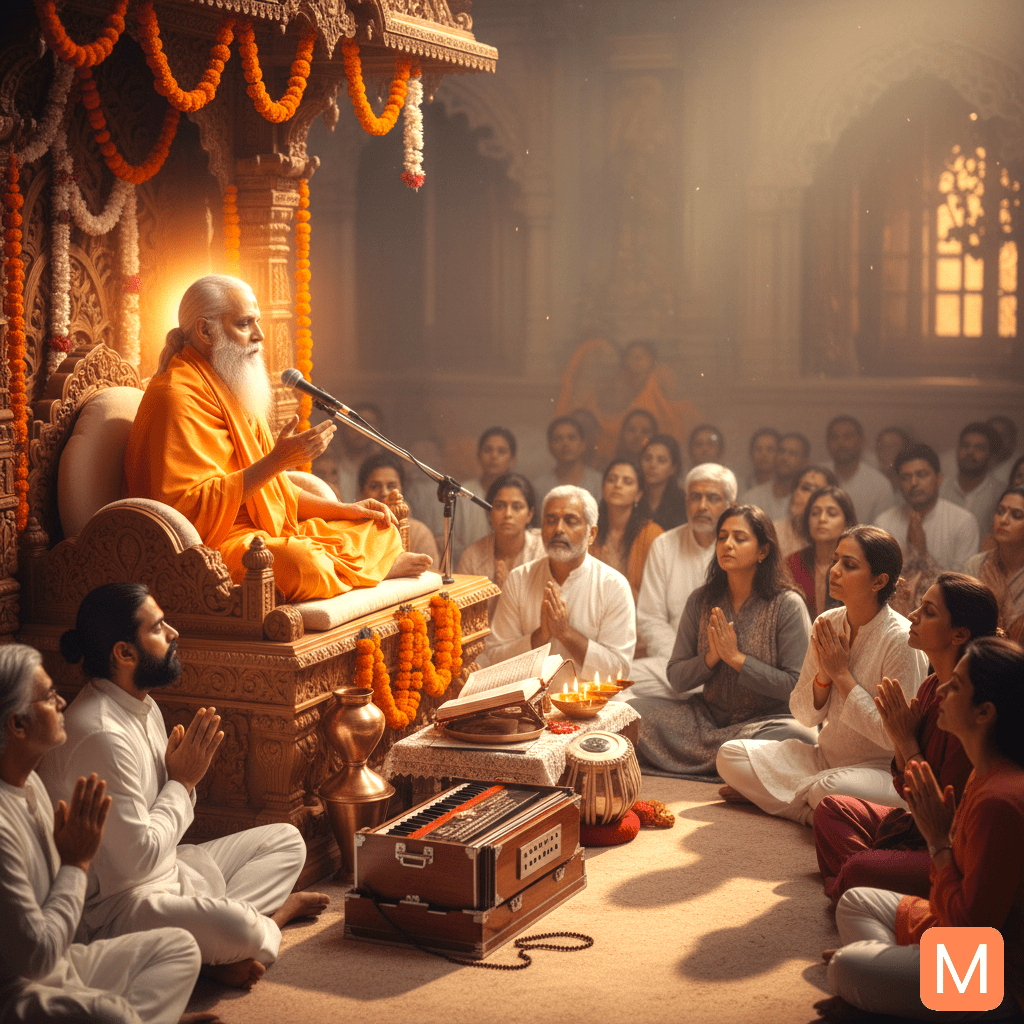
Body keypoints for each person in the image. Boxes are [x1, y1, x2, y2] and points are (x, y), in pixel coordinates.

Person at [38, 584, 330, 991]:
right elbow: (136, 862)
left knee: (286, 841)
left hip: (168, 869)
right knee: (239, 927)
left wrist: (179, 781)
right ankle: (268, 923)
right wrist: (183, 781)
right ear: (124, 653)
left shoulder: (141, 704)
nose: (173, 633)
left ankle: (206, 952)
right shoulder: (100, 732)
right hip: (117, 909)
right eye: (158, 628)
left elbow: (160, 832)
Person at [124, 275, 429, 602]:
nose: (260, 335)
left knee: (378, 527)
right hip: (214, 548)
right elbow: (187, 514)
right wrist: (276, 461)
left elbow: (274, 495)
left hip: (266, 533)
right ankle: (375, 568)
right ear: (205, 331)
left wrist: (345, 509)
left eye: (257, 322)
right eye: (245, 324)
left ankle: (368, 565)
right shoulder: (176, 398)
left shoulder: (229, 388)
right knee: (301, 565)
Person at [0, 644, 208, 1024]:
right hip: (14, 990)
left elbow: (62, 935)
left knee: (180, 948)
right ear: (17, 724)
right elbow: (37, 957)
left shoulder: (28, 784)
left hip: (64, 962)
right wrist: (76, 864)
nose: (62, 702)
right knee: (109, 1014)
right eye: (48, 697)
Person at [823, 636, 1024, 1021]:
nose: (942, 687)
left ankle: (905, 997)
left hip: (1002, 979)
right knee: (856, 901)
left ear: (984, 713)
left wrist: (936, 840)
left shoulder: (1001, 797)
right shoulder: (986, 772)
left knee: (845, 968)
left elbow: (970, 931)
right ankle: (896, 995)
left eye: (957, 685)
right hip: (963, 939)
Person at [716, 526, 929, 824]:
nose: (834, 571)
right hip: (822, 760)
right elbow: (803, 716)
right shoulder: (826, 623)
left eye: (849, 565)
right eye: (836, 560)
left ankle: (801, 804)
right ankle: (814, 813)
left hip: (880, 773)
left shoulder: (901, 640)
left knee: (827, 789)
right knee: (729, 755)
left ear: (878, 581)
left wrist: (841, 674)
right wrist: (824, 677)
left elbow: (891, 738)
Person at [813, 573, 998, 902]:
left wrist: (907, 742)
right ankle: (869, 885)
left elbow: (939, 808)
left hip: (951, 844)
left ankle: (862, 885)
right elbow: (904, 789)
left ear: (959, 634)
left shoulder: (970, 707)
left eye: (928, 612)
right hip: (916, 825)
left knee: (858, 870)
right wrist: (901, 740)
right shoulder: (929, 688)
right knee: (831, 810)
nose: (912, 616)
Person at [629, 505, 817, 779]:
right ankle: (733, 765)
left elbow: (797, 686)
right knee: (631, 713)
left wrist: (737, 660)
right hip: (706, 720)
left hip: (764, 723)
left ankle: (724, 760)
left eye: (739, 538)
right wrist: (710, 658)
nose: (727, 544)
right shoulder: (701, 600)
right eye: (722, 537)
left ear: (763, 551)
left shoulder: (787, 604)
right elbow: (678, 678)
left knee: (799, 736)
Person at [485, 486, 636, 681]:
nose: (558, 529)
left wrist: (567, 634)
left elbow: (619, 671)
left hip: (592, 706)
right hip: (529, 704)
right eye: (551, 520)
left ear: (591, 534)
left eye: (570, 521)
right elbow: (495, 657)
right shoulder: (520, 579)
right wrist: (539, 637)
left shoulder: (613, 586)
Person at [631, 464, 737, 698]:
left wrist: (710, 663)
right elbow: (650, 618)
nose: (702, 506)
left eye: (712, 498)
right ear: (686, 501)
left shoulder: (741, 549)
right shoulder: (664, 545)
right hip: (673, 661)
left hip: (728, 664)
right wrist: (686, 665)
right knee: (621, 683)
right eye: (695, 497)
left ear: (731, 506)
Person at [875, 445, 979, 611]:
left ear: (939, 478)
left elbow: (964, 588)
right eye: (906, 477)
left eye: (921, 475)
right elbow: (879, 583)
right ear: (899, 483)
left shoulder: (963, 521)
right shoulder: (884, 522)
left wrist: (922, 553)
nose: (914, 483)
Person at [456, 473, 545, 621]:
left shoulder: (542, 550)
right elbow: (465, 618)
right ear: (489, 513)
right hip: (485, 641)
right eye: (499, 506)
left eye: (517, 507)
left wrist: (508, 593)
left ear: (530, 514)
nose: (508, 514)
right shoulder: (472, 557)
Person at [589, 459, 664, 600]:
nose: (617, 485)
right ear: (603, 488)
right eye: (611, 480)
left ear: (638, 495)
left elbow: (658, 593)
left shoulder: (652, 534)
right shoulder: (589, 530)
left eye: (627, 482)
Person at [357, 454, 439, 569]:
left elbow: (432, 579)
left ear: (402, 490)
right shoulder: (354, 532)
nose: (384, 492)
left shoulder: (419, 534)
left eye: (391, 486)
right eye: (375, 486)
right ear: (361, 492)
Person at [450, 427, 518, 563]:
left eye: (501, 451)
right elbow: (453, 540)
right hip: (470, 566)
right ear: (479, 456)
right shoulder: (462, 492)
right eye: (488, 450)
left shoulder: (519, 493)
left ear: (512, 459)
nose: (494, 456)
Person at [787, 486, 857, 619]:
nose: (822, 519)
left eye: (831, 513)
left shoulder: (856, 565)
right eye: (815, 513)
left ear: (847, 523)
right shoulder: (793, 563)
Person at [965, 486, 1024, 642]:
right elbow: (962, 622)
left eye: (1016, 515)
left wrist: (1000, 599)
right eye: (1000, 511)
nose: (1003, 520)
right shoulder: (976, 565)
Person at [940, 421, 1008, 542]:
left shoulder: (1001, 494)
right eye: (965, 446)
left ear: (990, 456)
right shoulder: (939, 488)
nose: (970, 452)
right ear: (957, 450)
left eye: (979, 448)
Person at [825, 415, 895, 525]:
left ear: (861, 441)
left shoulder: (880, 485)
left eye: (847, 436)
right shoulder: (816, 476)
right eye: (834, 437)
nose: (841, 442)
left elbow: (881, 533)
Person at [532, 417, 604, 506]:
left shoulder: (599, 483)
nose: (565, 443)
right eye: (558, 439)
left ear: (583, 444)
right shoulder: (539, 488)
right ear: (550, 447)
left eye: (571, 438)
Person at [774, 465, 839, 560]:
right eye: (806, 488)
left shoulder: (836, 536)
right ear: (794, 492)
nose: (812, 496)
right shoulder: (773, 533)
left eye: (818, 491)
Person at [743, 432, 811, 521]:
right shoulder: (752, 498)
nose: (784, 458)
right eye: (781, 451)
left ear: (804, 462)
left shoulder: (809, 500)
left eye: (792, 453)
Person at [639, 434, 689, 531]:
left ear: (673, 468)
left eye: (661, 461)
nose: (652, 465)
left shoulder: (683, 502)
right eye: (647, 458)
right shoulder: (633, 497)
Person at [874, 426, 912, 494]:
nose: (883, 453)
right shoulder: (872, 481)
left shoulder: (913, 483)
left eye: (890, 448)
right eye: (880, 447)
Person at [743, 428, 780, 492]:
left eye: (770, 449)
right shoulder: (741, 486)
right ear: (751, 453)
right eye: (758, 449)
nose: (763, 454)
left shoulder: (784, 490)